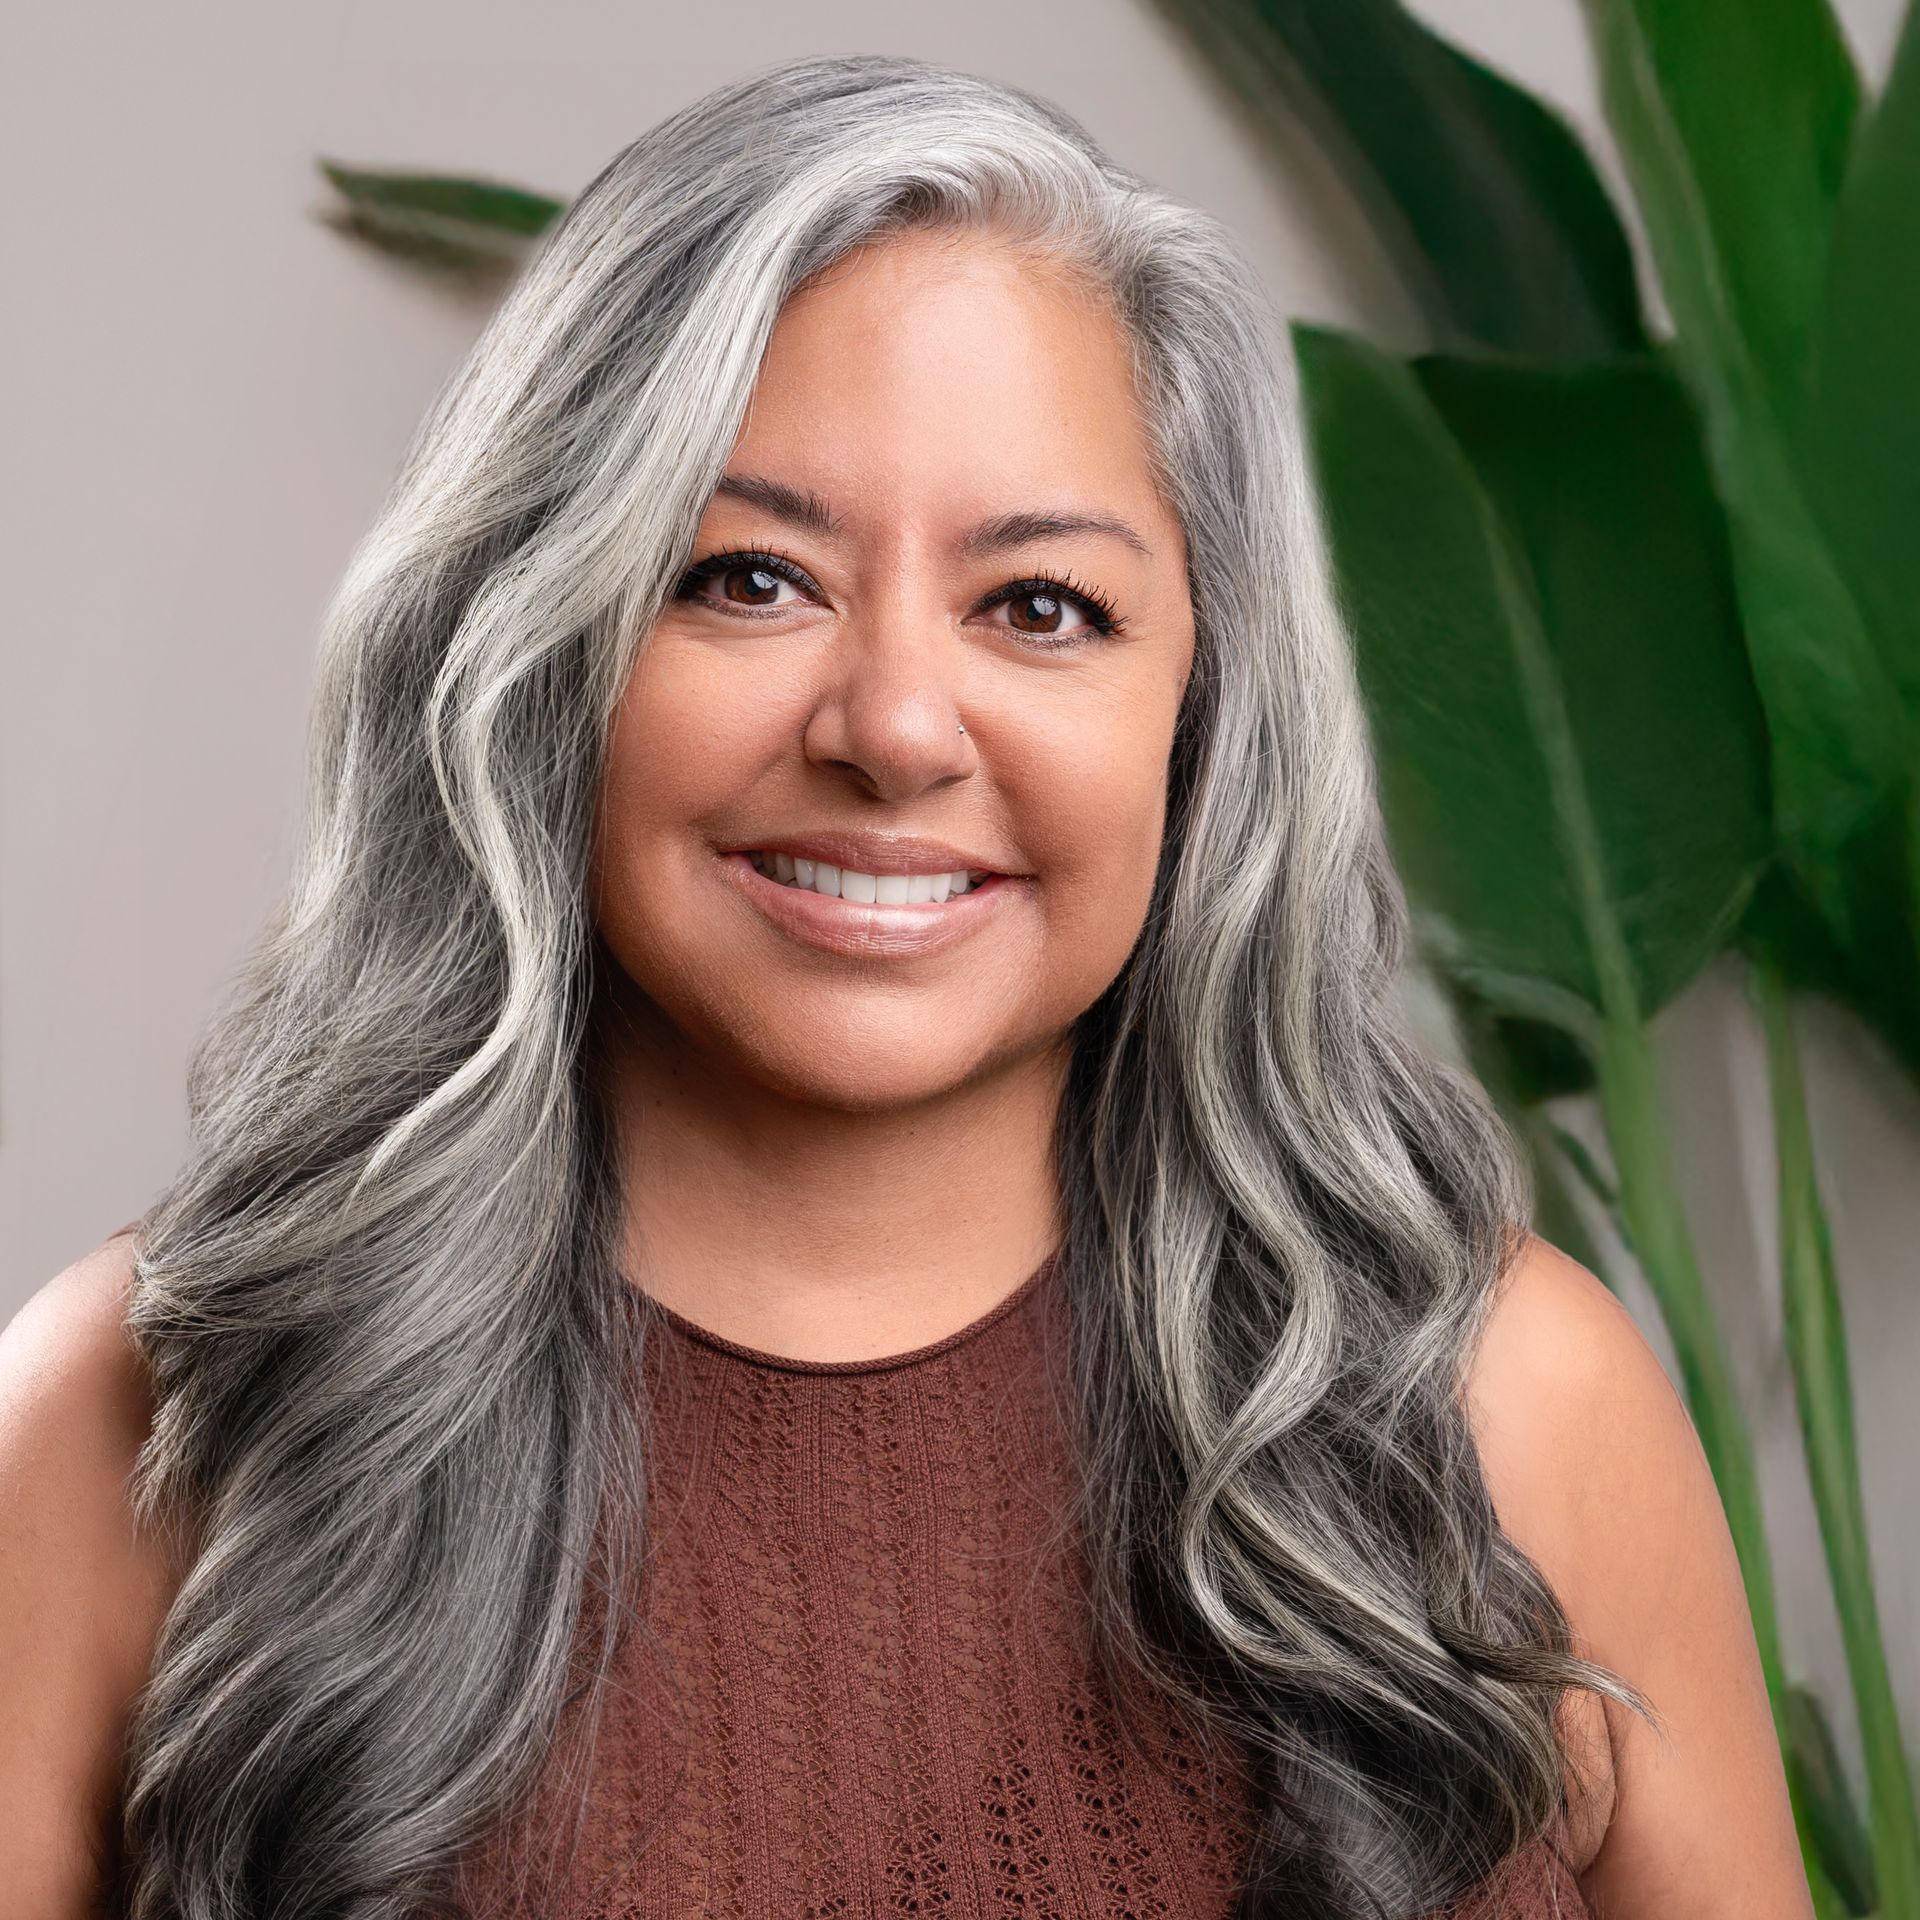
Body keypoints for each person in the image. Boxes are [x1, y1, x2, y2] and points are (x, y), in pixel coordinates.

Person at [0, 52, 1807, 1920]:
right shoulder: (137, 1415)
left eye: (1041, 608)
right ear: (543, 647)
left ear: (1202, 721)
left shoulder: (1511, 1407)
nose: (892, 727)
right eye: (748, 578)